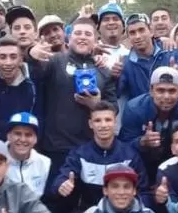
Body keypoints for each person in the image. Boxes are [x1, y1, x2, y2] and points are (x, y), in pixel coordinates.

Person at [28, 16, 118, 184]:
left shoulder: (103, 69)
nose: (82, 37)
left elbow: (113, 108)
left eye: (88, 34)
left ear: (95, 40)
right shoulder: (54, 61)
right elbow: (35, 76)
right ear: (69, 37)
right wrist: (31, 55)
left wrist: (96, 105)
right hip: (57, 147)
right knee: (58, 198)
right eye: (78, 33)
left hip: (91, 148)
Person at [50, 102, 150, 213]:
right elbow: (62, 177)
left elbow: (144, 192)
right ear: (90, 124)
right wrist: (61, 185)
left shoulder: (130, 155)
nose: (103, 125)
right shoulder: (80, 154)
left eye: (108, 120)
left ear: (115, 123)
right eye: (98, 121)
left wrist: (135, 212)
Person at [119, 67, 178, 179]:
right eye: (160, 90)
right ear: (151, 90)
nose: (166, 96)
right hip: (141, 164)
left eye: (172, 91)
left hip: (174, 165)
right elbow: (124, 147)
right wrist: (142, 142)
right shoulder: (134, 108)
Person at [118, 13, 178, 100]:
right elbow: (117, 93)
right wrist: (115, 76)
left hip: (173, 109)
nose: (138, 36)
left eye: (141, 30)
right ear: (128, 38)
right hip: (141, 111)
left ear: (151, 31)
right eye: (132, 33)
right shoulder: (125, 63)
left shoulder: (172, 51)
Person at [5, 112, 51, 197]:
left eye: (28, 135)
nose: (22, 139)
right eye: (17, 133)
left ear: (35, 139)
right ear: (8, 136)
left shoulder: (45, 163)